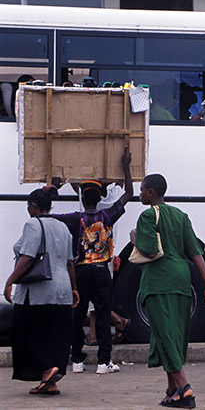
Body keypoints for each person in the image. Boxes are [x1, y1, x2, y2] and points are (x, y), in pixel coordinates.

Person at [130, 174, 205, 407]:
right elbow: (196, 253)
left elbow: (150, 250)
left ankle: (184, 386)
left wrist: (135, 238)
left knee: (164, 334)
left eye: (142, 190)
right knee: (171, 334)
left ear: (151, 193)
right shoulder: (181, 216)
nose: (139, 194)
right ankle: (172, 390)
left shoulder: (148, 216)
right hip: (181, 279)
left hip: (159, 282)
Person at [49, 150, 133, 375]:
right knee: (103, 316)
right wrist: (126, 167)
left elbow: (48, 216)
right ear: (99, 198)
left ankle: (77, 360)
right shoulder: (108, 216)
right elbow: (129, 193)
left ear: (82, 199)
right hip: (101, 272)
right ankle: (104, 362)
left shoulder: (75, 219)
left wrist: (53, 188)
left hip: (80, 273)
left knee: (77, 316)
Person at [4, 186, 79, 396]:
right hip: (62, 290)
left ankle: (47, 368)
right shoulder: (63, 227)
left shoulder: (33, 224)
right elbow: (70, 263)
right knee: (52, 336)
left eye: (28, 205)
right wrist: (74, 288)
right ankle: (50, 382)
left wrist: (10, 281)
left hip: (38, 291)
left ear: (34, 206)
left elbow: (28, 257)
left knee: (19, 333)